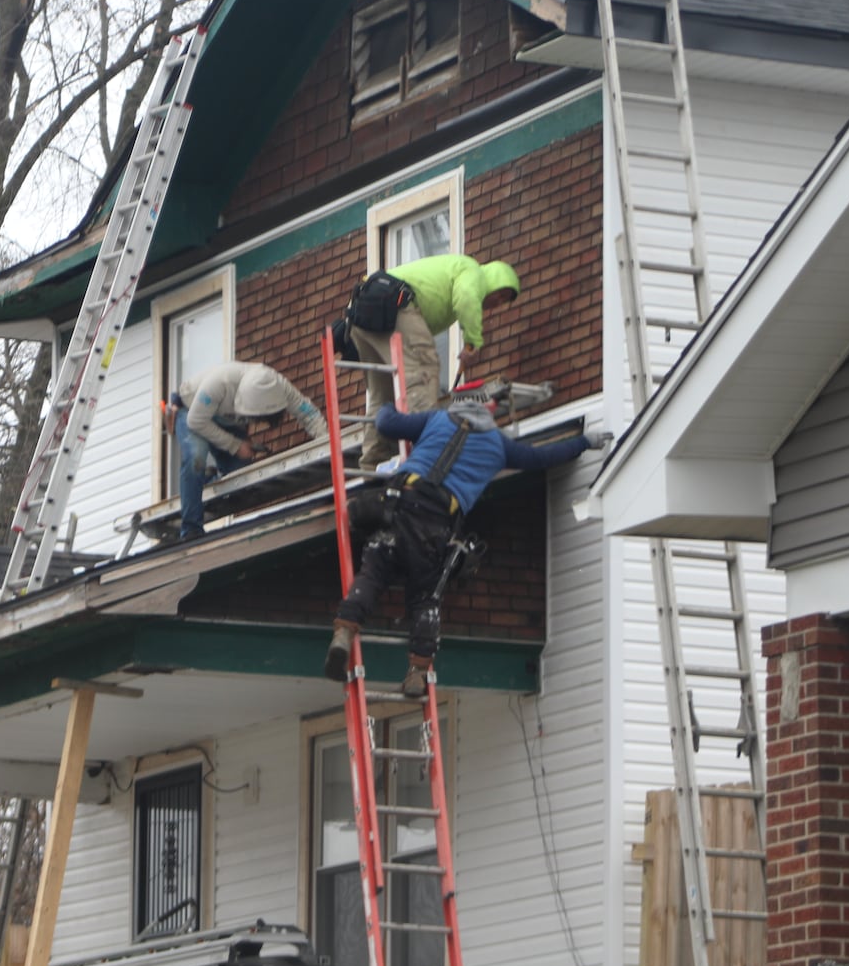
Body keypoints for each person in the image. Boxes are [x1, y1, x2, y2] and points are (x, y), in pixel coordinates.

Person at [325, 382, 611, 695]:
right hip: (435, 528)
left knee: (373, 570)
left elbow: (386, 424)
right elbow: (543, 457)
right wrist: (585, 441)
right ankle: (418, 672)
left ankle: (344, 634)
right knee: (425, 598)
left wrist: (388, 403)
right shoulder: (499, 446)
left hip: (399, 508)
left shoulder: (437, 420)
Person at [349, 253, 521, 468]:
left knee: (384, 395)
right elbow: (466, 298)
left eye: (504, 302)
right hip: (395, 303)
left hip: (364, 312)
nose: (498, 302)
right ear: (494, 280)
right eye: (501, 294)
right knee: (424, 367)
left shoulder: (455, 275)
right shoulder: (473, 272)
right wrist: (473, 342)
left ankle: (374, 462)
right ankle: (431, 446)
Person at [168, 362, 326, 540]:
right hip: (191, 411)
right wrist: (235, 445)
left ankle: (208, 479)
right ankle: (191, 529)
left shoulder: (279, 387)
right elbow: (196, 422)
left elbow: (308, 413)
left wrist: (327, 444)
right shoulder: (220, 382)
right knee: (195, 458)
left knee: (240, 475)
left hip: (228, 421)